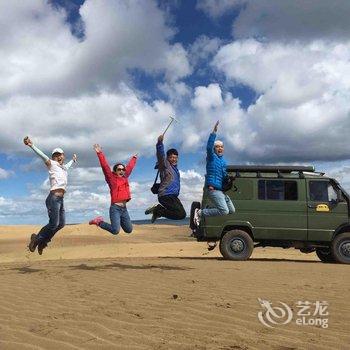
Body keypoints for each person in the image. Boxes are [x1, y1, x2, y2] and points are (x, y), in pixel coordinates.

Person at [24, 136, 77, 255]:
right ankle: (36, 239)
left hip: (61, 199)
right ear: (53, 157)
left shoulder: (63, 168)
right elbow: (43, 156)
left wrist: (73, 160)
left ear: (63, 156)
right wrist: (31, 145)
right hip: (53, 198)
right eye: (56, 155)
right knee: (54, 224)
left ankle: (43, 242)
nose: (58, 156)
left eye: (60, 154)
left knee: (61, 224)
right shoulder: (52, 164)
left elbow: (67, 166)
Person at [89, 144, 137, 235]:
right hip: (115, 208)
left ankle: (118, 223)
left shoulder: (125, 177)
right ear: (115, 171)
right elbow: (105, 166)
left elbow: (130, 168)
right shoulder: (112, 179)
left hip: (124, 209)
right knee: (115, 230)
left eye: (123, 169)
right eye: (119, 169)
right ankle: (99, 222)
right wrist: (99, 153)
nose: (121, 171)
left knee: (129, 230)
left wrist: (134, 158)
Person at [194, 121, 235, 226]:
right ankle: (200, 212)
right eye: (217, 146)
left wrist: (229, 179)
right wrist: (214, 132)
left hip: (221, 190)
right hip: (212, 189)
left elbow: (224, 175)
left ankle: (209, 209)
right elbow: (208, 147)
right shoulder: (211, 158)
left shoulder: (224, 161)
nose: (220, 148)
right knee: (224, 211)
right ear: (214, 149)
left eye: (221, 146)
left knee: (231, 210)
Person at [145, 134, 186, 223]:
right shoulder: (165, 165)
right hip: (166, 195)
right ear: (167, 158)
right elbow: (161, 155)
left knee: (182, 214)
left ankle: (158, 211)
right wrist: (160, 143)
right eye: (171, 157)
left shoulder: (176, 170)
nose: (173, 159)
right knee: (180, 214)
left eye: (175, 157)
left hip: (173, 196)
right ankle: (157, 210)